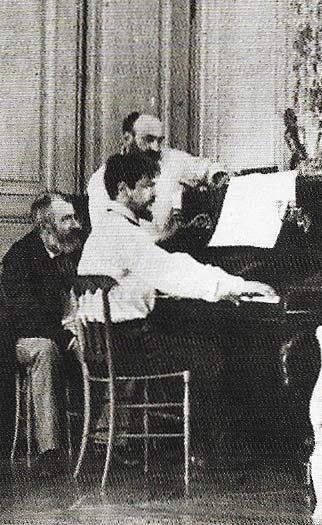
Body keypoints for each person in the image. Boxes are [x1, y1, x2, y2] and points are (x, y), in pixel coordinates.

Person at [78, 152, 275, 459]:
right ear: (122, 191)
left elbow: (155, 270)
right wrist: (237, 285)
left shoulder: (105, 231)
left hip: (107, 346)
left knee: (197, 344)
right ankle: (214, 452)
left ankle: (187, 442)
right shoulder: (125, 235)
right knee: (211, 356)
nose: (154, 194)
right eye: (146, 187)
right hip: (130, 348)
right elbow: (173, 270)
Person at [2, 192, 85, 474]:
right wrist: (67, 338)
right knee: (46, 350)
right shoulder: (19, 256)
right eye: (67, 219)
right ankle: (49, 451)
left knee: (114, 340)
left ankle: (105, 438)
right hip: (25, 338)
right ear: (44, 226)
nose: (76, 225)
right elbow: (25, 315)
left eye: (75, 217)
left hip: (67, 331)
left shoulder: (74, 251)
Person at [87, 112, 223, 242]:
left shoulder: (169, 158)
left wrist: (218, 176)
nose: (156, 148)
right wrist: (165, 237)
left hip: (175, 246)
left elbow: (205, 167)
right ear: (128, 138)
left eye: (160, 140)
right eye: (149, 139)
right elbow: (105, 235)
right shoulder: (100, 181)